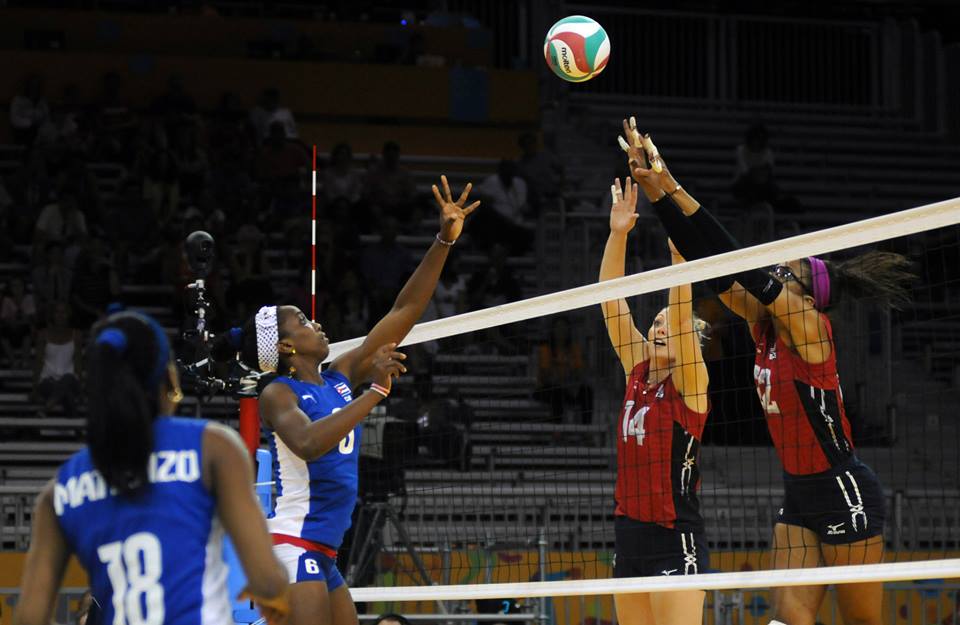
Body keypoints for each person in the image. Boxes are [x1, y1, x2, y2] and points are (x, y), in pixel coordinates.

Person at [622, 118, 913, 625]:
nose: (777, 269)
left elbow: (740, 260)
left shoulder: (809, 326)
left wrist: (672, 190)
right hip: (800, 491)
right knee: (787, 621)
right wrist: (658, 189)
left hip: (843, 486)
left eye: (787, 271)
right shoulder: (762, 326)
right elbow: (713, 262)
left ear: (806, 294)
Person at [219, 176, 479, 625]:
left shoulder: (338, 375)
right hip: (293, 544)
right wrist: (375, 392)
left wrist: (442, 241)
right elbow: (307, 443)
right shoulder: (277, 393)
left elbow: (403, 312)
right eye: (301, 320)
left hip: (322, 551)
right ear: (285, 348)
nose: (314, 321)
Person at [14, 311, 290, 625]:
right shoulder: (213, 447)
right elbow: (268, 580)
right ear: (168, 377)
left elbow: (28, 619)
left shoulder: (60, 489)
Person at [599, 176, 711, 625]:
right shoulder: (637, 371)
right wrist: (618, 233)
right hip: (629, 537)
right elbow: (610, 301)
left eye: (668, 322)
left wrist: (678, 266)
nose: (660, 326)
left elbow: (683, 321)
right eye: (656, 321)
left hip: (675, 535)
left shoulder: (692, 385)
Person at [33, 302, 82, 418]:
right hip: (47, 380)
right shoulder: (43, 334)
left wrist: (81, 387)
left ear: (68, 314)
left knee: (68, 377)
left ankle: (45, 409)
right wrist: (34, 387)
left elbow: (79, 362)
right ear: (52, 315)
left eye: (63, 312)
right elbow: (38, 361)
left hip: (70, 379)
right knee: (67, 394)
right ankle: (78, 431)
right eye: (57, 312)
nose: (60, 315)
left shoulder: (77, 335)